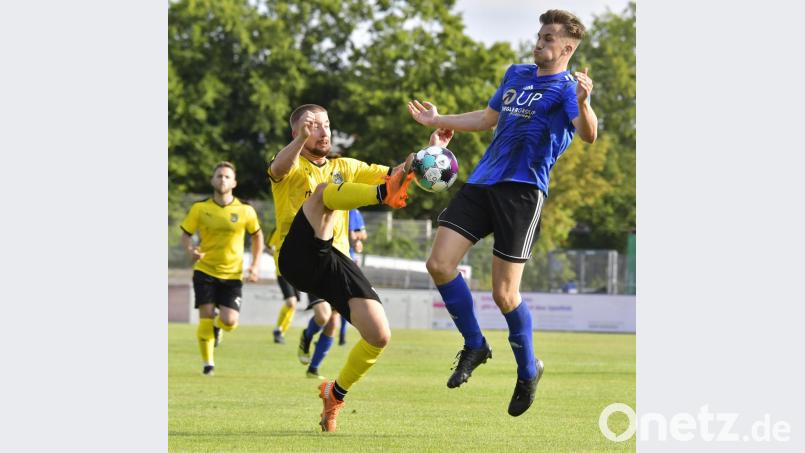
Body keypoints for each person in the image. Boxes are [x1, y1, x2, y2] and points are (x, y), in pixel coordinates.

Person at [407, 9, 598, 417]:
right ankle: (475, 344)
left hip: (523, 193)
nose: (540, 42)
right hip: (482, 183)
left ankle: (528, 370)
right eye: (540, 35)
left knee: (504, 294)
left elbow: (588, 133)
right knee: (439, 264)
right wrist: (437, 119)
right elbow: (488, 118)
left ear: (566, 48)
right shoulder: (516, 74)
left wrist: (583, 103)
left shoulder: (568, 89)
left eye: (549, 38)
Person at [269, 103, 452, 432]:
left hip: (331, 260)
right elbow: (279, 168)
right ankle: (383, 195)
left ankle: (334, 394)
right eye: (312, 126)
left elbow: (398, 170)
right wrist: (299, 141)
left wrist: (431, 152)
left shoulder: (346, 167)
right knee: (324, 193)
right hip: (294, 258)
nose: (322, 131)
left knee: (379, 334)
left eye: (325, 124)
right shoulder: (290, 165)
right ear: (297, 132)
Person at [180, 161, 263, 376]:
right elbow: (186, 235)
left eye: (227, 176)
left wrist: (254, 266)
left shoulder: (245, 210)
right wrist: (191, 250)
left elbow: (257, 236)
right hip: (205, 271)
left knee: (229, 321)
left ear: (234, 182)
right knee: (205, 316)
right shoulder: (200, 208)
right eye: (219, 176)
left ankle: (219, 327)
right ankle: (208, 364)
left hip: (232, 274)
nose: (222, 179)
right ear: (212, 180)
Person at [340, 208, 368, 346]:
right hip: (335, 257)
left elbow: (363, 234)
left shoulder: (354, 212)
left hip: (349, 259)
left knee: (348, 298)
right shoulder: (336, 207)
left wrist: (356, 237)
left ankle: (342, 334)